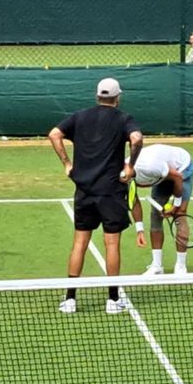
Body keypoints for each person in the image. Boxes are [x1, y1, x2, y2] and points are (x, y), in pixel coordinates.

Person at [49, 77, 143, 314]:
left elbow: (54, 134)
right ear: (117, 97)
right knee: (112, 243)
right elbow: (137, 139)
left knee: (79, 242)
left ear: (97, 96)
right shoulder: (124, 119)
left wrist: (67, 164)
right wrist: (131, 165)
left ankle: (70, 299)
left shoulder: (80, 116)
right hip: (110, 192)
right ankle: (112, 300)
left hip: (84, 191)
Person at [129, 144, 193, 275]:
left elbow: (177, 177)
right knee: (155, 214)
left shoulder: (149, 167)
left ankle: (181, 265)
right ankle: (157, 265)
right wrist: (139, 230)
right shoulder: (123, 176)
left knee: (180, 214)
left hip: (182, 168)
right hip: (163, 173)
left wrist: (176, 205)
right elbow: (133, 200)